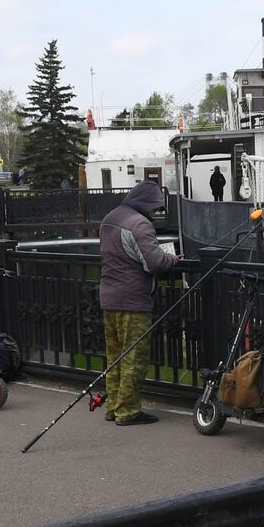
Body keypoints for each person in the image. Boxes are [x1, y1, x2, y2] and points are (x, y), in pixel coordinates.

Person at [98, 179, 180, 425]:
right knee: (134, 358)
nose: (155, 212)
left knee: (115, 358)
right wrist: (172, 259)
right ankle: (128, 412)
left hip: (108, 296)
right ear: (146, 203)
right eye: (155, 207)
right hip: (132, 300)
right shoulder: (140, 224)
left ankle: (113, 407)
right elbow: (154, 263)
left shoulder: (110, 217)